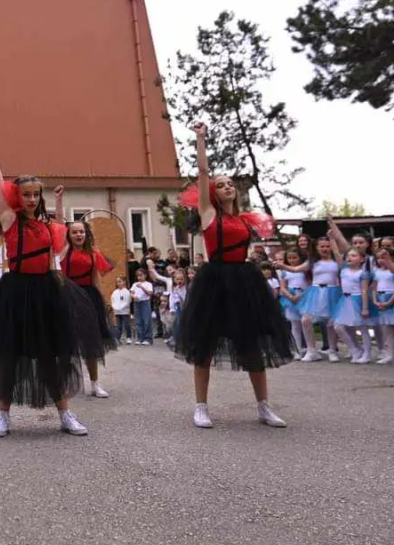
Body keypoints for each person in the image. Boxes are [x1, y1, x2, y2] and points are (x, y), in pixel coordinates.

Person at [0, 128, 101, 437]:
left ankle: (65, 414)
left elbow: (57, 252)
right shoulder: (9, 220)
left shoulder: (49, 227)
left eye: (34, 195)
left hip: (45, 291)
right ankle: (3, 416)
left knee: (50, 356)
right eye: (26, 194)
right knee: (8, 356)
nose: (31, 199)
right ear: (17, 196)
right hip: (15, 291)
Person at [175, 122, 293, 429]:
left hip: (244, 281)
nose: (227, 187)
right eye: (222, 184)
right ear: (213, 192)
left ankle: (264, 406)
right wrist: (201, 139)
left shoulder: (244, 219)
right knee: (204, 344)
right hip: (215, 281)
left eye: (230, 184)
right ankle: (201, 407)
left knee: (251, 344)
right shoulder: (208, 213)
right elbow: (202, 174)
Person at [55, 186, 116, 398]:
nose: (78, 234)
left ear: (85, 234)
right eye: (75, 232)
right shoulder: (64, 250)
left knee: (91, 342)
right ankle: (64, 383)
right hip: (67, 296)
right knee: (66, 342)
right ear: (69, 235)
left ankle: (95, 384)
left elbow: (95, 279)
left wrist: (104, 302)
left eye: (81, 231)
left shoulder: (93, 253)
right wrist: (59, 199)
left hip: (89, 297)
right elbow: (61, 224)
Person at [276, 247, 315, 361]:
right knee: (295, 324)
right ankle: (296, 349)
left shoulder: (305, 270)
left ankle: (310, 348)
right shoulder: (284, 271)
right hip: (290, 297)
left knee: (306, 323)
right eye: (289, 258)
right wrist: (290, 296)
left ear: (300, 257)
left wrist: (301, 295)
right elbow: (283, 287)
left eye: (294, 258)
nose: (292, 260)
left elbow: (310, 284)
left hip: (304, 296)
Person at [371, 248, 394, 364]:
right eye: (378, 258)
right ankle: (389, 353)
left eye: (384, 257)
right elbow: (374, 287)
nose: (381, 260)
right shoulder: (377, 271)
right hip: (381, 298)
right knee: (387, 329)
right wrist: (375, 300)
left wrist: (389, 302)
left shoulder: (392, 269)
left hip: (391, 299)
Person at [130, 269, 154, 345]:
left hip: (145, 302)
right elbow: (131, 292)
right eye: (138, 276)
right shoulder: (134, 284)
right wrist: (133, 297)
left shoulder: (148, 284)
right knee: (138, 320)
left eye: (141, 275)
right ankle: (140, 337)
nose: (139, 277)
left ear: (145, 275)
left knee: (146, 320)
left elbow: (149, 293)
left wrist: (142, 287)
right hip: (137, 303)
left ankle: (148, 338)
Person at [110, 276, 132, 345]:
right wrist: (114, 307)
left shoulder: (127, 292)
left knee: (126, 325)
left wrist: (121, 307)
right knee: (118, 326)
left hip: (125, 312)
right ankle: (117, 338)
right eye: (117, 282)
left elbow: (128, 301)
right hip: (117, 312)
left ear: (124, 282)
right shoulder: (115, 292)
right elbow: (112, 300)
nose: (118, 283)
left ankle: (128, 337)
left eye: (120, 281)